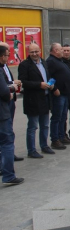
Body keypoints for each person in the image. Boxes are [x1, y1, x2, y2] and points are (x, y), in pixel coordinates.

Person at [18, 43, 56, 158]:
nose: (34, 54)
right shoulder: (24, 65)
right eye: (32, 52)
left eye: (36, 51)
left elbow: (48, 77)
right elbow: (23, 82)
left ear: (40, 51)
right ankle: (31, 150)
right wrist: (39, 85)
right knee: (33, 126)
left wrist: (51, 84)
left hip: (45, 98)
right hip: (32, 100)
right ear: (28, 53)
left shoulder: (44, 62)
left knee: (45, 125)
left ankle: (44, 146)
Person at [0, 45, 23, 185]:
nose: (8, 58)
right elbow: (3, 91)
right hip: (2, 112)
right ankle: (8, 175)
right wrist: (12, 88)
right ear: (2, 56)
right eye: (7, 56)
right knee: (7, 142)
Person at [47, 43, 70, 149]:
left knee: (63, 117)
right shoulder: (51, 61)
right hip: (59, 94)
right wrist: (54, 88)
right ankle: (55, 139)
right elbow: (48, 77)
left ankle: (62, 136)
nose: (63, 51)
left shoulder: (59, 60)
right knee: (56, 118)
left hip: (65, 93)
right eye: (61, 49)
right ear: (55, 50)